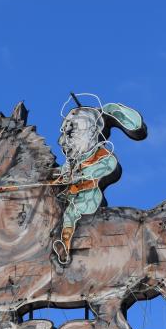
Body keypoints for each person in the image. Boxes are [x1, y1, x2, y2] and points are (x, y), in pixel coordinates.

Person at [52, 96, 147, 264]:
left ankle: (65, 245)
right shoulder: (69, 164)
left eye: (72, 132)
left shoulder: (102, 157)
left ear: (90, 132)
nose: (65, 138)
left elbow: (104, 171)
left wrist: (78, 182)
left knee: (72, 212)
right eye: (64, 132)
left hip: (87, 199)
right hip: (65, 198)